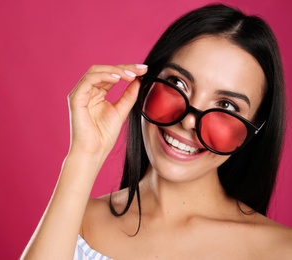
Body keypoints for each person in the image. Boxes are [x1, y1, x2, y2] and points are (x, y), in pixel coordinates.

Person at [22, 4, 292, 259]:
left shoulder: (281, 249)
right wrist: (84, 154)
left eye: (226, 106)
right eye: (177, 83)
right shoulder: (73, 223)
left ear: (252, 131)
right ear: (145, 84)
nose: (188, 121)